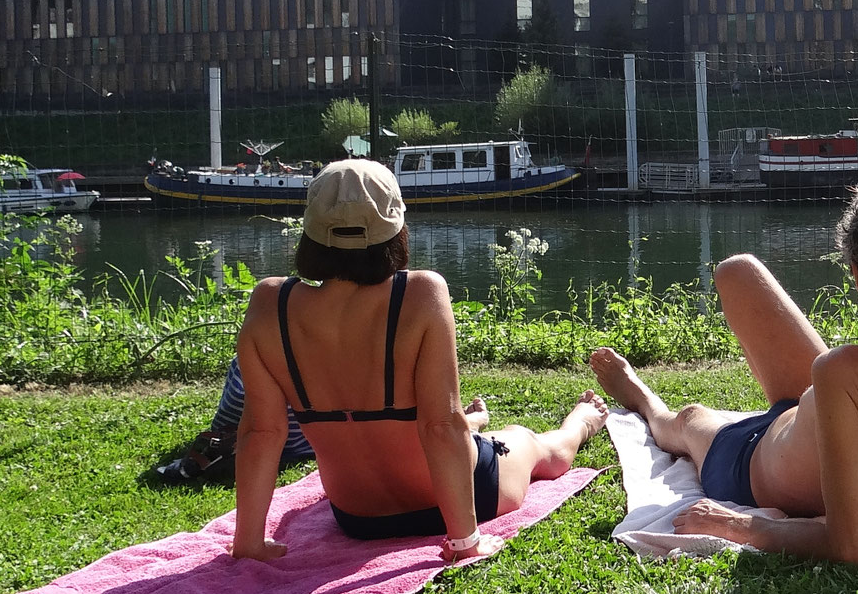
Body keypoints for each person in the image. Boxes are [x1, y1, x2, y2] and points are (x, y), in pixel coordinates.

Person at [590, 174, 858, 563]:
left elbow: (851, 547)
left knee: (686, 422)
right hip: (816, 422)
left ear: (857, 275)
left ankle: (642, 400)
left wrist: (736, 525)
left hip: (746, 463)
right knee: (737, 272)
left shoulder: (843, 373)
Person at [229, 158, 606, 563]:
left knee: (460, 426)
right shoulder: (421, 292)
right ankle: (581, 422)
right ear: (395, 227)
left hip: (358, 516)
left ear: (312, 230)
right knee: (530, 443)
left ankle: (476, 423)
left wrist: (249, 542)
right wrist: (465, 542)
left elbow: (261, 432)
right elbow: (440, 425)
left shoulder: (270, 303)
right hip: (463, 498)